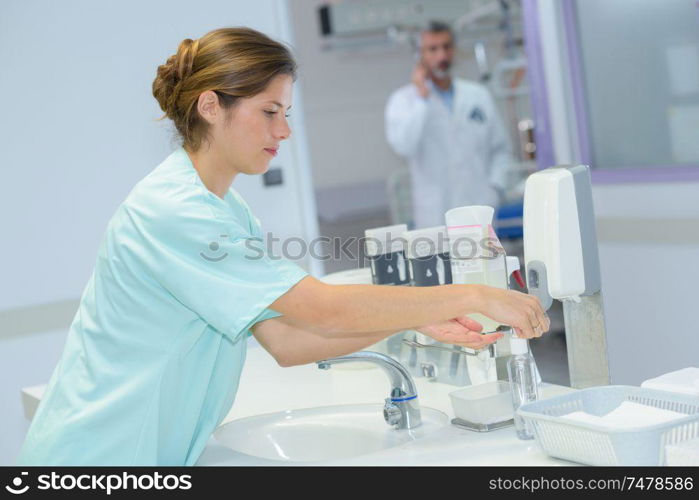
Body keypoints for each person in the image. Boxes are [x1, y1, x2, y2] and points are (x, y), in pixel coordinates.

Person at [17, 27, 548, 466]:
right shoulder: (175, 209)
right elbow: (319, 307)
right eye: (270, 112)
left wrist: (409, 320)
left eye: (286, 113)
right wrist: (472, 294)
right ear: (210, 106)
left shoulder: (225, 208)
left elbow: (288, 342)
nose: (284, 130)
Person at [385, 21, 512, 229]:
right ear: (419, 55)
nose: (441, 56)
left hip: (479, 208)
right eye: (433, 49)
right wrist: (422, 99)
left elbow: (501, 149)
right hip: (434, 215)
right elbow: (403, 146)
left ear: (454, 50)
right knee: (439, 261)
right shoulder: (403, 101)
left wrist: (495, 189)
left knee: (484, 261)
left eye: (446, 47)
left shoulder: (478, 96)